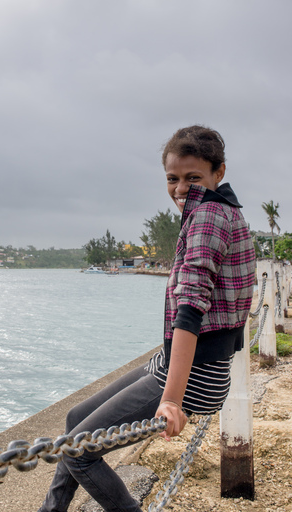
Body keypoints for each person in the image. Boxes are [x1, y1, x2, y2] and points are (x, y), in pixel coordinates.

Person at [37, 125, 256, 512]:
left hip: (194, 375)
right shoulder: (220, 210)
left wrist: (172, 400)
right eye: (172, 179)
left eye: (193, 177)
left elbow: (191, 308)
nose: (179, 188)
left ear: (218, 173)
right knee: (75, 419)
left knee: (78, 451)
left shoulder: (206, 216)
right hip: (183, 362)